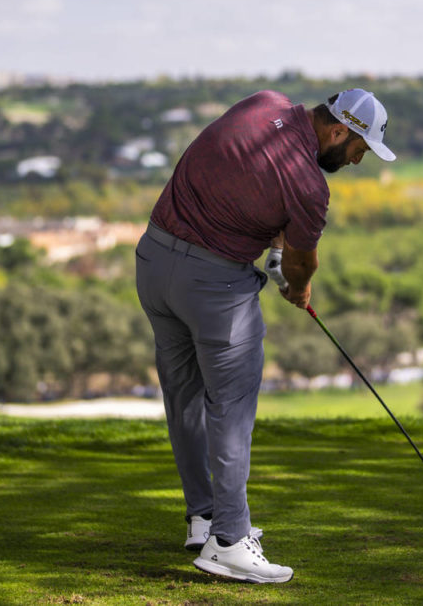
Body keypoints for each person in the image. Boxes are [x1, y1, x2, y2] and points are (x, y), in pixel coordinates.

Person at [135, 88, 395, 583]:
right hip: (214, 288)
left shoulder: (263, 104)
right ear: (338, 131)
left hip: (154, 263)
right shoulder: (311, 186)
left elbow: (248, 180)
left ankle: (204, 517)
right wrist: (298, 287)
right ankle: (229, 542)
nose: (357, 161)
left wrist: (274, 252)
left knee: (184, 398)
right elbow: (302, 261)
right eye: (359, 149)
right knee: (230, 410)